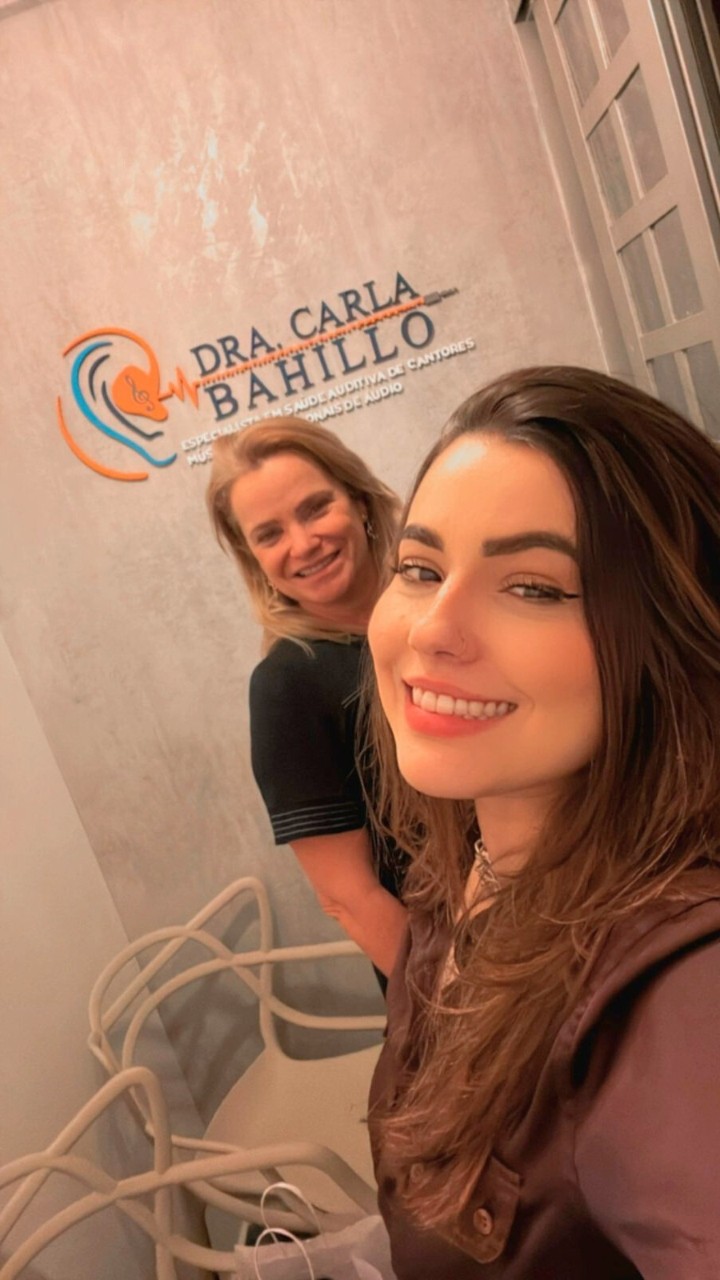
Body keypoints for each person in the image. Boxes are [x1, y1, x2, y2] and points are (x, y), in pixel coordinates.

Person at [365, 366, 720, 1278]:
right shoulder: (460, 871)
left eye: (531, 587)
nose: (432, 629)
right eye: (419, 569)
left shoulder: (679, 988)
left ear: (668, 634)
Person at [207, 417, 407, 984]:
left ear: (360, 501)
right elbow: (350, 898)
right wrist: (465, 1004)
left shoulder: (436, 610)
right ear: (253, 557)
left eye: (316, 508)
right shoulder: (288, 685)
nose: (302, 544)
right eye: (269, 534)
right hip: (461, 979)